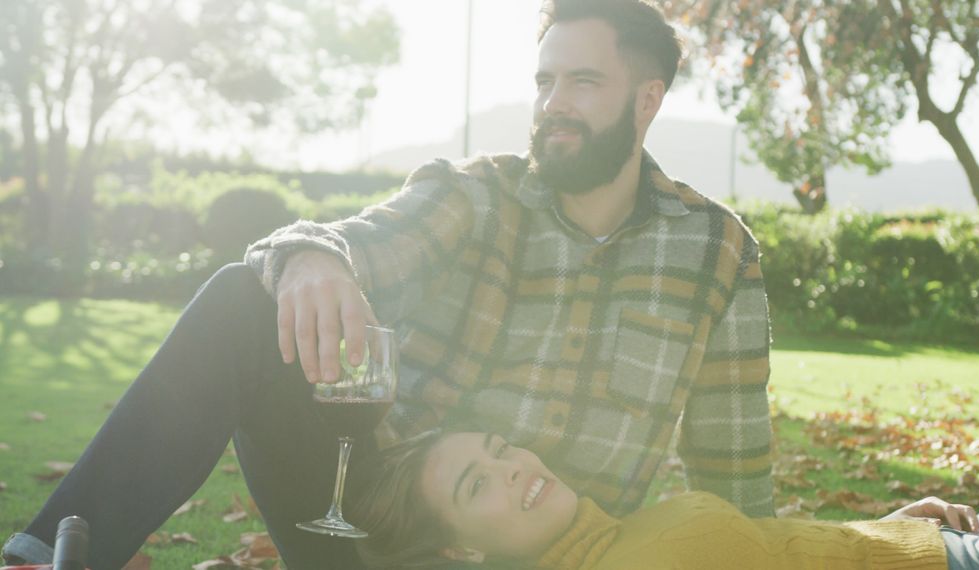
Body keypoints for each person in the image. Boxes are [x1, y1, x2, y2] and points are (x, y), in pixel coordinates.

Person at [3, 1, 773, 568]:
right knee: (246, 299)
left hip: (559, 550)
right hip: (371, 520)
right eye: (544, 82)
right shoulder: (478, 195)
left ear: (646, 100)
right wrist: (314, 260)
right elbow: (346, 241)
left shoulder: (717, 252)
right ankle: (49, 558)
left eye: (583, 82)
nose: (553, 105)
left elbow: (733, 471)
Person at [350, 430, 979, 570]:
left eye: (499, 449)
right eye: (477, 483)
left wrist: (878, 530)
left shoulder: (615, 536)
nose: (510, 469)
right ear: (462, 549)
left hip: (938, 547)